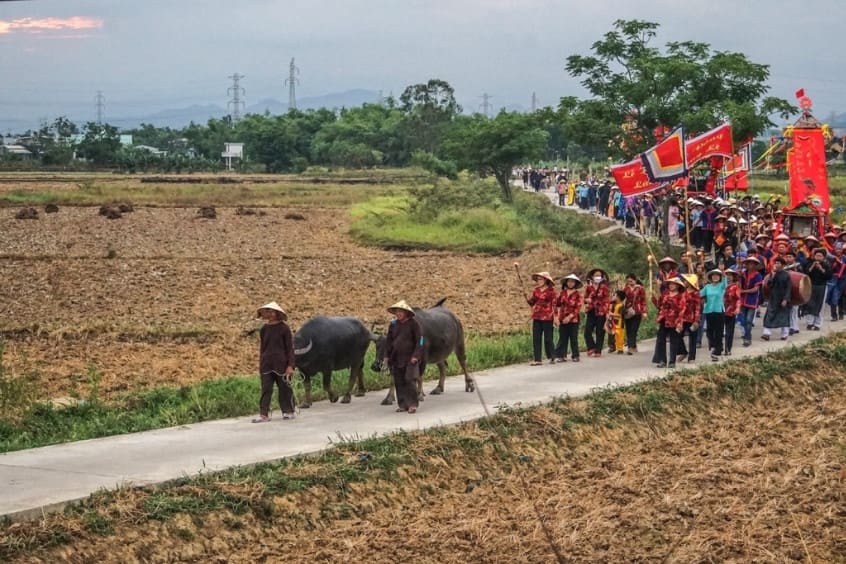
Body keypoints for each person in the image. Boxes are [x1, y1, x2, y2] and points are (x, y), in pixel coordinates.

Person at [253, 301, 296, 423]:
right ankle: (263, 414)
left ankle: (288, 411)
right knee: (266, 389)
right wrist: (261, 363)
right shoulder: (264, 329)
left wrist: (290, 365)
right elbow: (263, 348)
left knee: (285, 388)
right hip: (267, 364)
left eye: (272, 311)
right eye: (267, 312)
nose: (270, 314)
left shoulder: (284, 328)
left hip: (282, 364)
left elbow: (290, 348)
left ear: (277, 313)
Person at [383, 300, 424, 413]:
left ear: (406, 312)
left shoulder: (413, 324)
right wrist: (386, 356)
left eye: (401, 311)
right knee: (399, 381)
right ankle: (403, 404)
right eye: (397, 311)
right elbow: (389, 341)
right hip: (396, 358)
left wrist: (416, 355)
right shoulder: (393, 325)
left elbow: (420, 340)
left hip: (410, 358)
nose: (398, 313)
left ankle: (412, 404)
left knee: (409, 380)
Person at [652, 277, 686, 368]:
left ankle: (672, 361)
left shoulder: (680, 296)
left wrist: (679, 322)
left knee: (674, 341)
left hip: (674, 321)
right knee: (660, 340)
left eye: (673, 284)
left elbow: (682, 310)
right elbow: (659, 306)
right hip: (663, 319)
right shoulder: (665, 294)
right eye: (670, 284)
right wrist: (654, 298)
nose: (671, 285)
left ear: (678, 285)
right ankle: (662, 360)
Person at [526, 271, 557, 365]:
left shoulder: (551, 292)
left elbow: (554, 305)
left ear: (546, 280)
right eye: (538, 279)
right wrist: (527, 299)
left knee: (548, 338)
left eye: (541, 279)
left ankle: (552, 356)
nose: (539, 281)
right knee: (536, 338)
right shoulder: (536, 291)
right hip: (537, 317)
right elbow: (532, 302)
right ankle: (538, 359)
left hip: (547, 317)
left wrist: (555, 316)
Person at [762, 256, 792, 341]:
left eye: (778, 263)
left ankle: (784, 334)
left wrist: (786, 299)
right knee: (769, 315)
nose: (776, 264)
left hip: (783, 298)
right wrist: (773, 275)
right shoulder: (772, 274)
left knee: (784, 316)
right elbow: (769, 285)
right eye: (775, 263)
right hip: (773, 297)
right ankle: (766, 334)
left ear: (782, 265)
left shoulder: (786, 275)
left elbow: (788, 288)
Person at [554, 274, 583, 362]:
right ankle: (562, 355)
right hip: (562, 318)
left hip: (573, 319)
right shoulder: (562, 293)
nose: (570, 283)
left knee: (573, 338)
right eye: (569, 281)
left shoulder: (578, 295)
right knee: (563, 337)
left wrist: (569, 317)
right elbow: (557, 304)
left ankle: (575, 355)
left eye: (572, 281)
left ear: (575, 283)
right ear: (566, 283)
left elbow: (577, 308)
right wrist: (557, 317)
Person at [801, 249, 831, 330]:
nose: (818, 257)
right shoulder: (810, 264)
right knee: (810, 304)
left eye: (820, 256)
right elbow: (806, 273)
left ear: (824, 257)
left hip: (821, 287)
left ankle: (817, 324)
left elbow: (828, 276)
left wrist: (821, 268)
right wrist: (813, 266)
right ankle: (810, 323)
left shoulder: (826, 265)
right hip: (811, 286)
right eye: (816, 255)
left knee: (820, 305)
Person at [700, 269, 727, 361]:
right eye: (713, 275)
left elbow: (725, 283)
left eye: (717, 275)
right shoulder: (707, 287)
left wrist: (723, 274)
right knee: (709, 331)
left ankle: (718, 349)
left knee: (719, 331)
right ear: (711, 277)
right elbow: (699, 294)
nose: (715, 277)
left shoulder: (721, 286)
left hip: (719, 310)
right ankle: (713, 346)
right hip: (709, 310)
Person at [584, 268, 611, 357]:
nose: (597, 277)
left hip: (601, 311)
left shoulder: (604, 288)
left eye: (599, 275)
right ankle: (591, 347)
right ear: (592, 276)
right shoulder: (588, 287)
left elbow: (607, 301)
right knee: (587, 331)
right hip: (591, 311)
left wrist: (607, 313)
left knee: (600, 332)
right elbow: (584, 299)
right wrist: (587, 300)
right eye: (596, 275)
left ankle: (598, 350)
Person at [739, 256, 764, 347]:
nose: (750, 265)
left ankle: (747, 338)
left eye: (752, 263)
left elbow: (755, 289)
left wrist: (744, 291)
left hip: (752, 300)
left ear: (755, 265)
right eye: (749, 263)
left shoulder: (758, 275)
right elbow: (738, 284)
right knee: (744, 320)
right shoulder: (742, 274)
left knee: (749, 320)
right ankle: (746, 336)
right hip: (742, 300)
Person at [680, 274, 702, 362]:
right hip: (682, 318)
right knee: (677, 335)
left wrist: (696, 320)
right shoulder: (682, 292)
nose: (684, 282)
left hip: (692, 318)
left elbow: (697, 307)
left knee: (693, 338)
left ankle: (691, 357)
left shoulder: (696, 293)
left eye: (686, 280)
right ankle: (683, 352)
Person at [623, 273, 646, 354]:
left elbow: (643, 300)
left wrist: (644, 312)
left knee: (634, 329)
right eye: (628, 281)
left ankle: (630, 347)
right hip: (627, 311)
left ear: (635, 280)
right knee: (628, 329)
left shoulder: (640, 288)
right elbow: (622, 299)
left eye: (631, 280)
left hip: (637, 310)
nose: (630, 282)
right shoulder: (625, 289)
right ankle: (634, 346)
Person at [723, 269, 741, 355]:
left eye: (730, 275)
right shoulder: (721, 286)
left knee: (729, 331)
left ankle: (728, 348)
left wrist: (737, 308)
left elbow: (738, 299)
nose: (728, 277)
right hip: (719, 311)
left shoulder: (735, 287)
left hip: (730, 311)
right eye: (727, 275)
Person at [605, 290, 626, 354]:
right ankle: (612, 346)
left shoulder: (621, 305)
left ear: (618, 297)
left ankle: (620, 349)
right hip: (613, 323)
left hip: (620, 324)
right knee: (611, 334)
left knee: (619, 337)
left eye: (615, 295)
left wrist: (611, 314)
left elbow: (620, 315)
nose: (613, 296)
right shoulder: (613, 304)